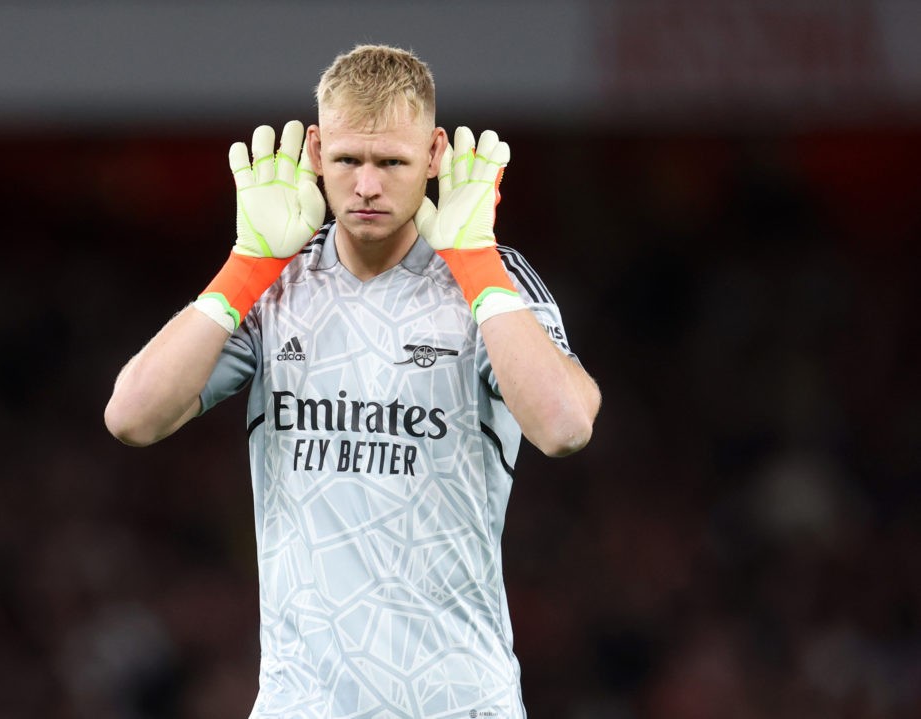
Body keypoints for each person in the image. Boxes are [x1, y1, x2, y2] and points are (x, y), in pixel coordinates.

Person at [105, 44, 601, 719]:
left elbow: (565, 425)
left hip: (455, 702)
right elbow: (132, 415)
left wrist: (476, 262)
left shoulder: (490, 278)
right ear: (314, 150)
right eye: (349, 160)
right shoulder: (275, 280)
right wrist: (248, 264)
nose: (367, 186)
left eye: (392, 162)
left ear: (433, 155)